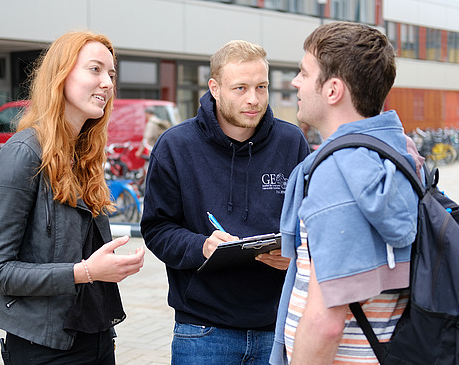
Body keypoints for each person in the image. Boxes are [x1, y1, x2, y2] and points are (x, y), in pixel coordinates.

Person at [0, 31, 145, 365]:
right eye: (95, 70)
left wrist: (103, 270)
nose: (107, 83)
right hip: (44, 349)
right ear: (61, 76)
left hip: (95, 339)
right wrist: (84, 272)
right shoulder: (23, 155)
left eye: (111, 75)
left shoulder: (83, 155)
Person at [140, 40, 310, 364]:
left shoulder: (292, 142)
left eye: (262, 87)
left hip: (277, 326)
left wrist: (296, 255)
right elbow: (157, 229)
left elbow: (311, 223)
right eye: (241, 88)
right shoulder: (176, 146)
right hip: (203, 331)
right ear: (214, 88)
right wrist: (202, 246)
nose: (253, 99)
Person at [272, 22, 424, 364]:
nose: (295, 82)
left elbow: (325, 321)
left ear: (333, 90)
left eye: (304, 72)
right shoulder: (399, 154)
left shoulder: (336, 174)